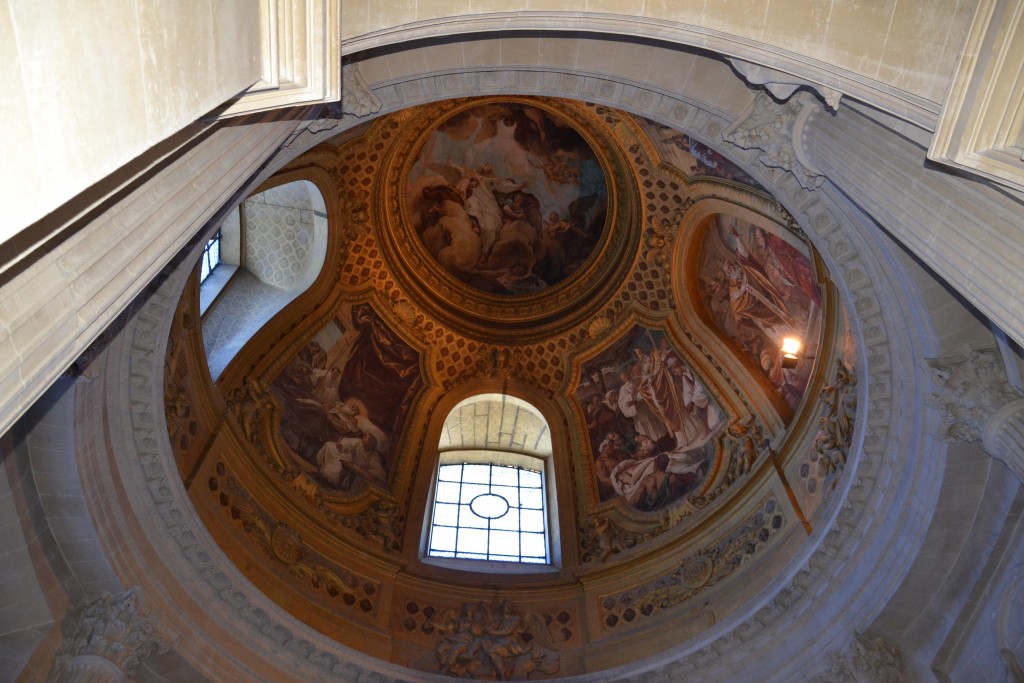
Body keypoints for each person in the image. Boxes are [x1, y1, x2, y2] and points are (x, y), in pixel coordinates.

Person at [316, 432, 386, 488]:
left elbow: (380, 474)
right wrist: (342, 445)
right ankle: (319, 464)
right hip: (347, 457)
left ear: (369, 445)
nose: (362, 439)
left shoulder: (373, 457)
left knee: (331, 470)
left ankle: (326, 475)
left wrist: (362, 470)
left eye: (365, 440)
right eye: (364, 438)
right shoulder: (360, 442)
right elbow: (349, 442)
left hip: (352, 467)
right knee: (329, 445)